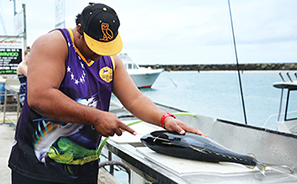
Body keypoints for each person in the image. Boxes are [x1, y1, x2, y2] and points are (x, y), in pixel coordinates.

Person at [8, 3, 205, 184]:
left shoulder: (111, 61)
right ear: (79, 30)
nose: (100, 53)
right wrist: (96, 117)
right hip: (37, 168)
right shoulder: (53, 43)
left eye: (106, 47)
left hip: (84, 168)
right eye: (95, 46)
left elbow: (135, 99)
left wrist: (164, 119)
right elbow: (39, 96)